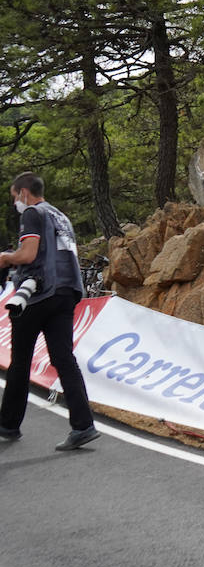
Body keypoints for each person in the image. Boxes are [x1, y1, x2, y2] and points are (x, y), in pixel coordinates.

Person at [0, 172, 99, 450]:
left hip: (38, 293)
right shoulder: (60, 216)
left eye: (14, 197)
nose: (15, 203)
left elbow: (29, 254)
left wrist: (7, 258)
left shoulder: (32, 213)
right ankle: (83, 425)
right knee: (64, 358)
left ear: (23, 193)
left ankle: (8, 423)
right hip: (67, 292)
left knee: (20, 360)